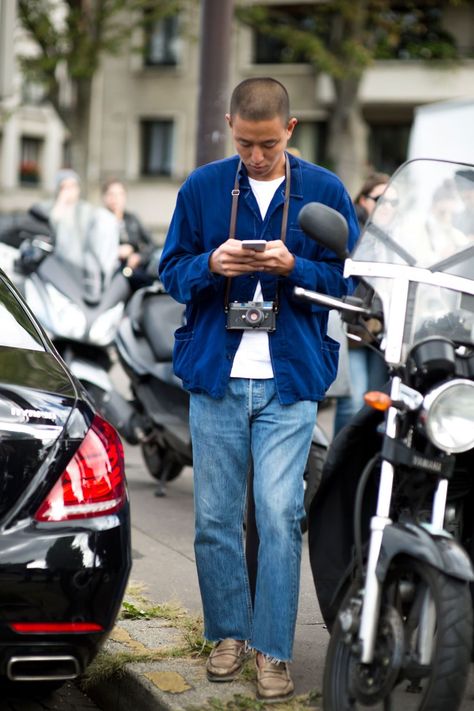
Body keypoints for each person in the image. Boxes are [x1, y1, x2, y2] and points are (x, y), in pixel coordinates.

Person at [158, 77, 359, 703]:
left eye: (267, 144)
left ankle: (273, 650)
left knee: (279, 515)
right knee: (216, 517)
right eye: (244, 143)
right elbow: (170, 271)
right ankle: (227, 635)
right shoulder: (202, 187)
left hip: (290, 377)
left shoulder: (324, 190)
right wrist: (210, 265)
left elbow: (349, 282)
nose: (256, 156)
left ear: (290, 131)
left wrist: (294, 266)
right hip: (216, 375)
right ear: (229, 127)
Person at [333, 172, 390, 435]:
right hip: (354, 326)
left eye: (394, 201)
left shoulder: (400, 233)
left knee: (377, 402)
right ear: (363, 199)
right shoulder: (353, 227)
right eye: (381, 198)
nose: (388, 205)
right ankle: (339, 464)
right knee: (353, 402)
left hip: (383, 331)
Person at [34, 169, 120, 293]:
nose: (69, 191)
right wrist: (62, 202)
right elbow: (49, 225)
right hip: (54, 272)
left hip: (82, 275)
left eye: (73, 186)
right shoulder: (49, 208)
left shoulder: (87, 210)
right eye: (65, 187)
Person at [102, 178, 157, 290]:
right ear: (104, 197)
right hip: (112, 272)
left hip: (134, 269)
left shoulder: (132, 220)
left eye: (119, 194)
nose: (115, 199)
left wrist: (139, 257)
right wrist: (116, 252)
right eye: (111, 194)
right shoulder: (99, 221)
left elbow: (152, 244)